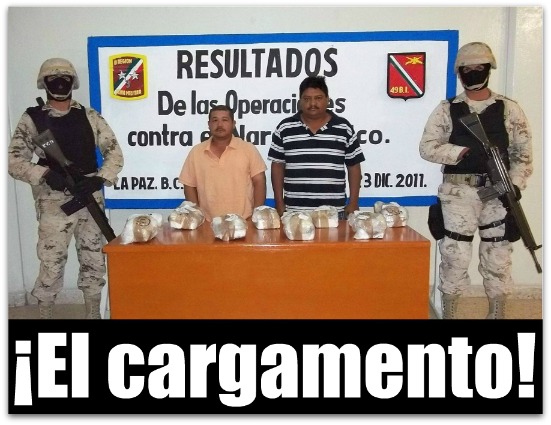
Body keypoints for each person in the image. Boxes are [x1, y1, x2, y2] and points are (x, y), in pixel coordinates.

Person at [419, 42, 533, 319]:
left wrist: (515, 184)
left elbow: (522, 154)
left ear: (488, 69)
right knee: (455, 255)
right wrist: (460, 152)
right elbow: (427, 147)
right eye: (466, 69)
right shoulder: (448, 109)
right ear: (459, 73)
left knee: (498, 255)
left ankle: (497, 313)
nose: (472, 73)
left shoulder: (508, 109)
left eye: (478, 68)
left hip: (497, 192)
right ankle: (451, 313)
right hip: (459, 192)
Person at [8, 58, 124, 319]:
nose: (60, 83)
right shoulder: (33, 119)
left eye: (65, 78)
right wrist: (45, 174)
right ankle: (45, 315)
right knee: (52, 261)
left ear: (73, 82)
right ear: (44, 83)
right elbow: (14, 161)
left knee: (94, 259)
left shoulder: (89, 116)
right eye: (53, 79)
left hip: (89, 194)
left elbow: (114, 153)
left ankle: (92, 313)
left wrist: (99, 179)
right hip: (53, 200)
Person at [268, 75, 365, 219]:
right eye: (307, 99)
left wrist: (354, 202)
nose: (312, 103)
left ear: (327, 100)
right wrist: (279, 203)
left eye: (318, 98)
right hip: (295, 213)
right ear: (300, 101)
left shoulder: (343, 127)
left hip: (334, 212)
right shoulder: (285, 128)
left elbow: (354, 166)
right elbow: (277, 166)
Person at [179, 104, 267, 222]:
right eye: (215, 120)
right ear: (209, 124)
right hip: (208, 223)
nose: (219, 125)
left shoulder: (248, 149)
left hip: (244, 222)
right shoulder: (196, 152)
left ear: (233, 124)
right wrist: (197, 217)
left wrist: (255, 216)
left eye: (225, 120)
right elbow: (189, 185)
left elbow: (259, 181)